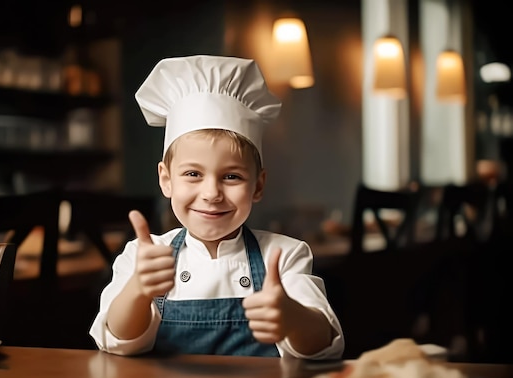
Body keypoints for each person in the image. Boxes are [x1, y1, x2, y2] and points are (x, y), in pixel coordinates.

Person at [89, 55, 344, 358]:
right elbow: (117, 341)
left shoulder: (284, 255)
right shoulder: (143, 256)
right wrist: (139, 290)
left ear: (258, 186)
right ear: (166, 180)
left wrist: (290, 316)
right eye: (193, 174)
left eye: (231, 176)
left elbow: (322, 344)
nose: (211, 193)